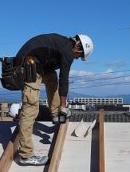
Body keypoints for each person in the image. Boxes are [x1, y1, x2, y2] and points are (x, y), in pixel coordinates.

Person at [13, 33, 94, 165]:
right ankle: (26, 155)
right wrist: (64, 106)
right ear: (78, 46)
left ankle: (56, 113)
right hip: (28, 66)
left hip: (36, 64)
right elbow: (64, 79)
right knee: (31, 108)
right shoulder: (67, 51)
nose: (77, 58)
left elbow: (56, 75)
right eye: (79, 56)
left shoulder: (63, 45)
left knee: (51, 77)